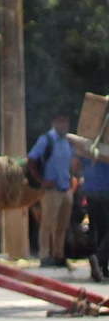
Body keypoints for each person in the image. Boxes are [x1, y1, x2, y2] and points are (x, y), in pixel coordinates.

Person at [28, 111, 79, 268]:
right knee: (47, 223)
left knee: (62, 224)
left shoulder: (67, 141)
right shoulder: (47, 140)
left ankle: (59, 254)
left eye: (66, 122)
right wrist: (41, 181)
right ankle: (44, 255)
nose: (64, 125)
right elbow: (31, 159)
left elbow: (72, 162)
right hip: (51, 189)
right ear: (54, 122)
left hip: (65, 188)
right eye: (61, 121)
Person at [82, 154, 109, 282]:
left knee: (101, 227)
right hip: (106, 190)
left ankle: (103, 268)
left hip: (90, 191)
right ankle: (99, 258)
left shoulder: (89, 143)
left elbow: (75, 163)